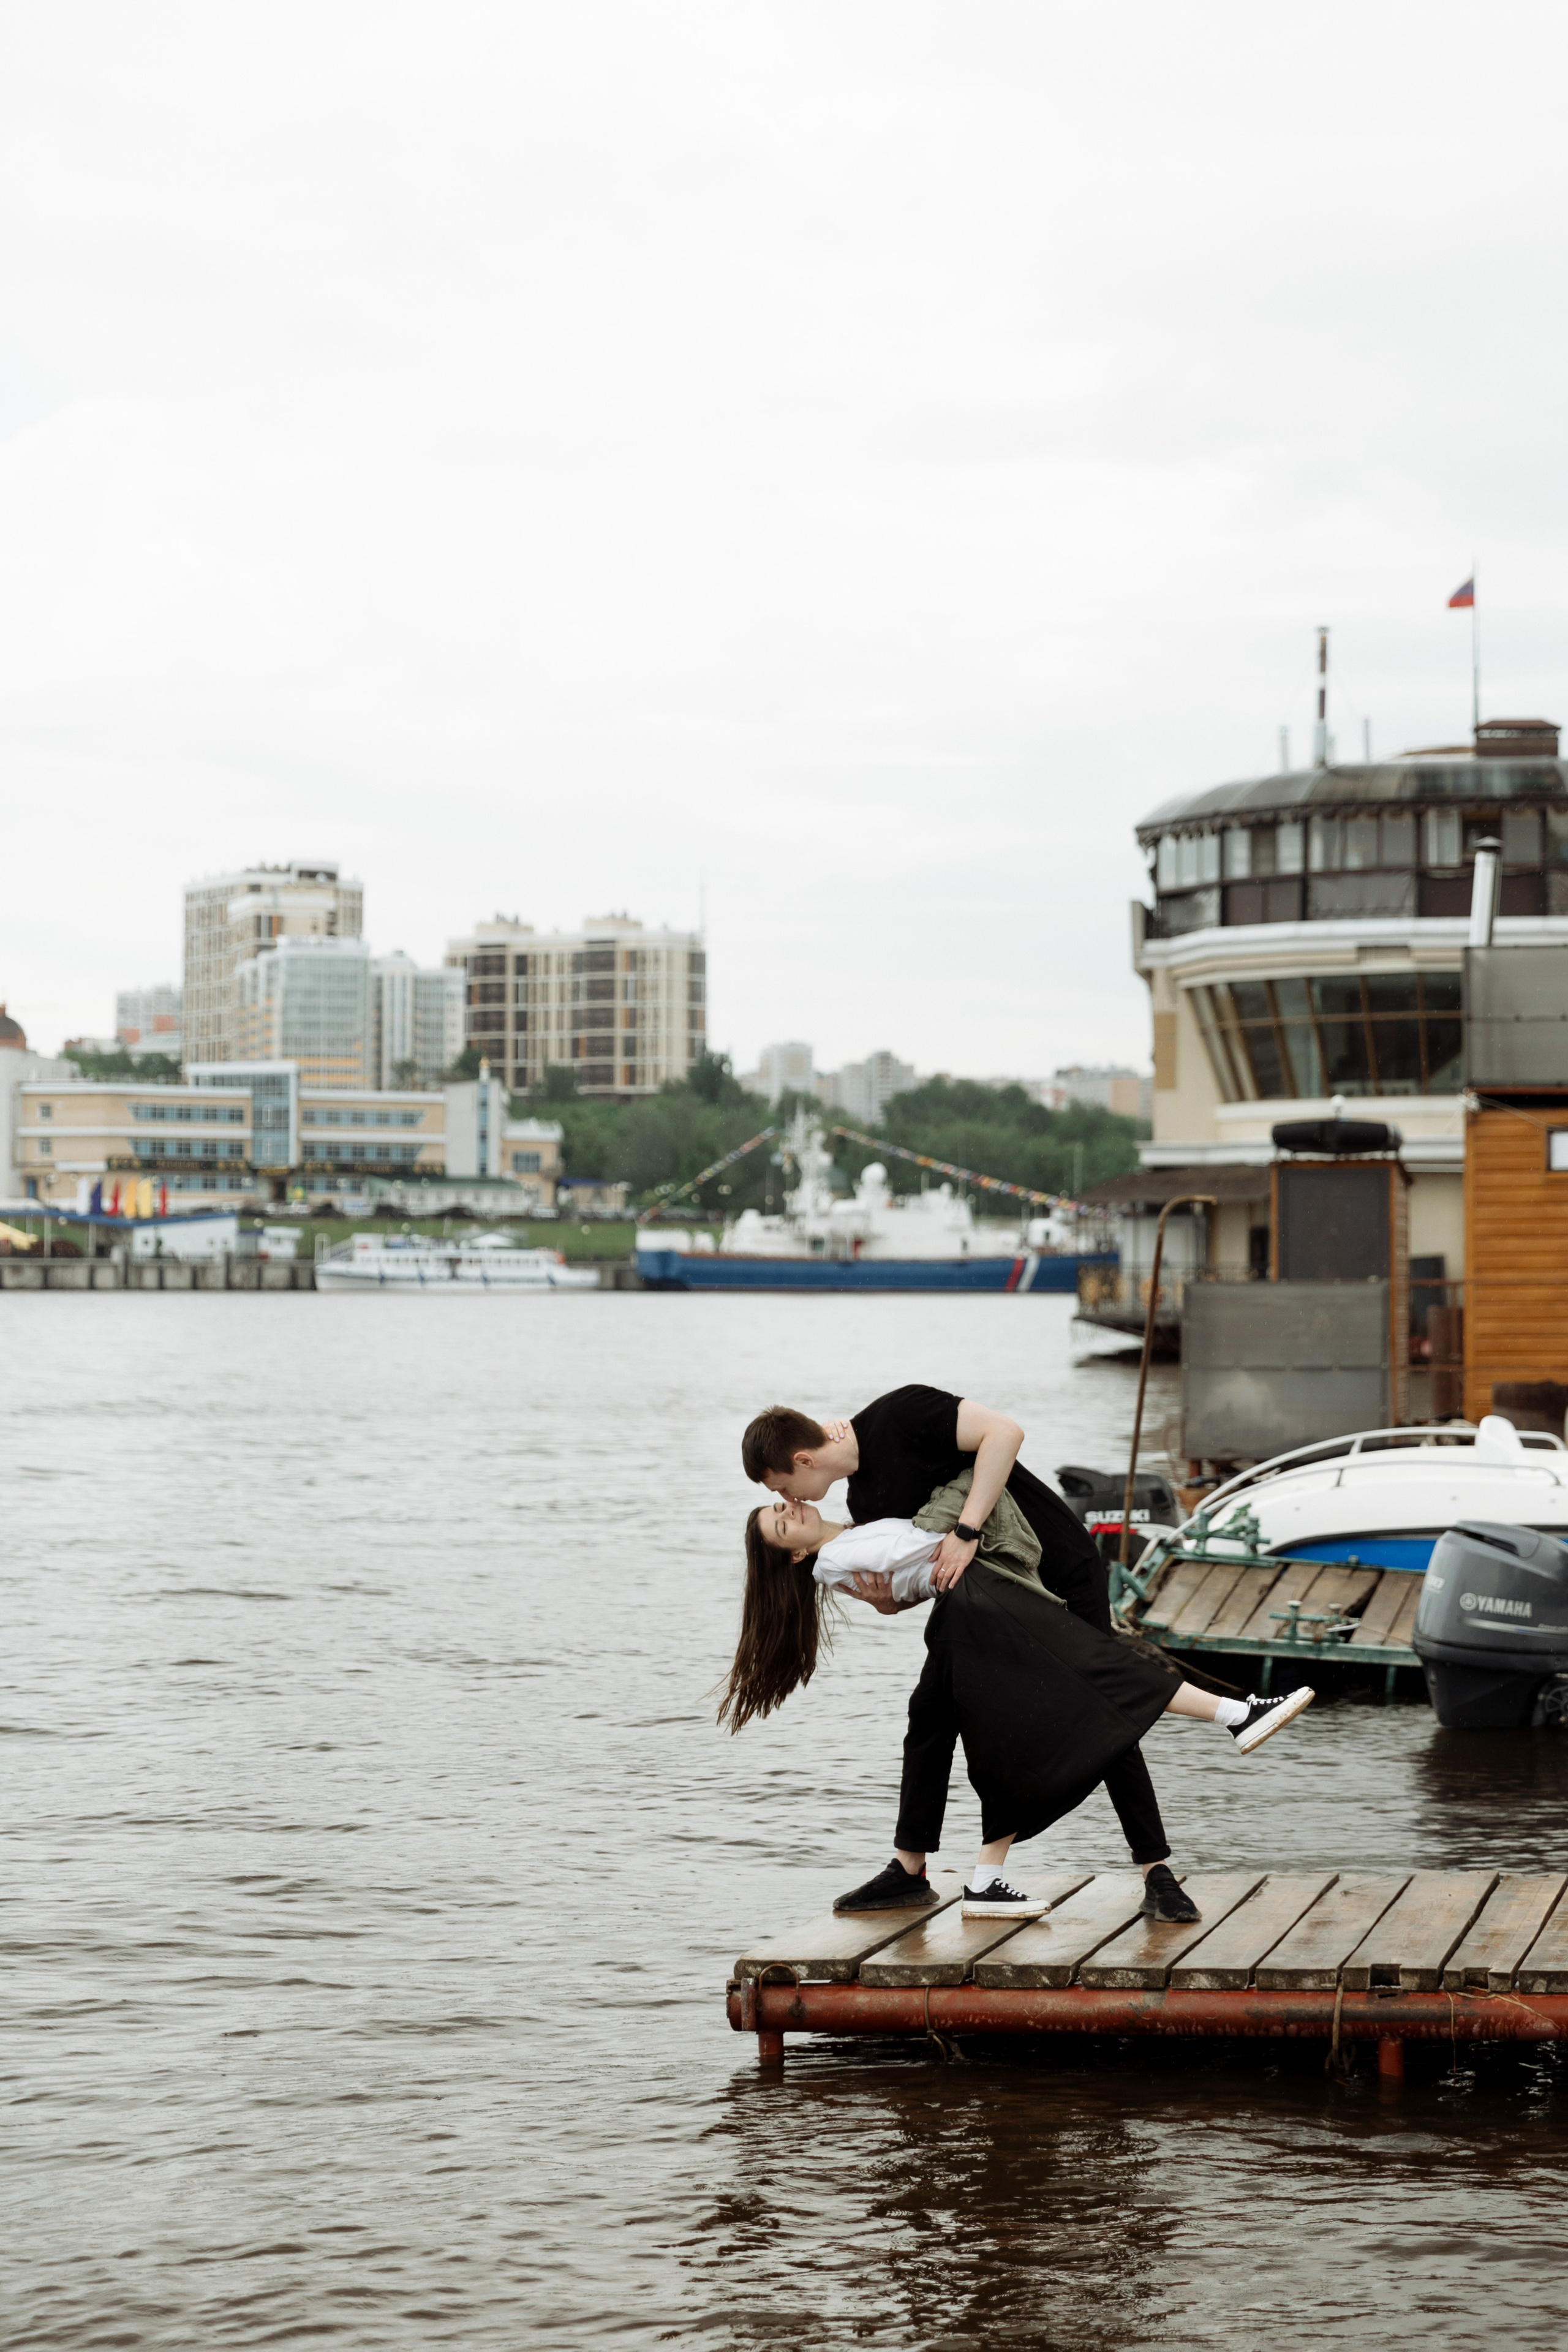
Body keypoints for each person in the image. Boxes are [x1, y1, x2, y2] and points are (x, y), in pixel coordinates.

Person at [717, 1477, 1313, 1918]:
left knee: (1004, 1726)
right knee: (1099, 1680)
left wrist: (896, 1590)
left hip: (986, 1603)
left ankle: (979, 1877)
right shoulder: (840, 1552)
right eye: (780, 1518)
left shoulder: (848, 1533)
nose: (787, 1504)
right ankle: (1236, 1715)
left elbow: (907, 1572)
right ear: (793, 1553)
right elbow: (918, 1552)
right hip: (986, 1603)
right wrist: (954, 1527)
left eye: (779, 1500)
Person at [741, 1387, 1194, 1918]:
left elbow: (1004, 1433)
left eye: (784, 1489)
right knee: (930, 1715)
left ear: (801, 1460)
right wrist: (891, 1602)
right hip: (986, 1600)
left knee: (1106, 1706)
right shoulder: (863, 1504)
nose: (795, 1501)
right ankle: (909, 1871)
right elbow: (929, 1567)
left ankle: (1157, 1872)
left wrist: (967, 1529)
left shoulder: (901, 1413)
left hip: (1058, 1566)